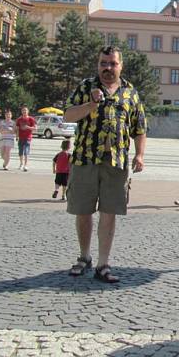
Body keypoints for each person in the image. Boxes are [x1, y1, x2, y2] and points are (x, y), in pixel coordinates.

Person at [63, 45, 147, 284]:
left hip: (116, 163)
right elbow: (68, 116)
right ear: (98, 64)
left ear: (121, 65)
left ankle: (103, 263)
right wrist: (90, 105)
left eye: (112, 63)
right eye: (103, 63)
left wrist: (139, 155)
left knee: (109, 213)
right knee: (83, 211)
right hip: (84, 159)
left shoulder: (130, 92)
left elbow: (140, 129)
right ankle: (84, 256)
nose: (107, 68)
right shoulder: (85, 87)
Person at [15, 106, 36, 171]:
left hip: (28, 137)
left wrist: (28, 127)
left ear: (28, 111)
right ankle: (21, 164)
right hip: (21, 137)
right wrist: (17, 136)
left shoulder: (31, 119)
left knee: (26, 151)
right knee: (20, 151)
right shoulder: (19, 119)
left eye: (25, 110)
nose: (24, 112)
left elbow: (35, 128)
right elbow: (17, 129)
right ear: (21, 111)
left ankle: (26, 165)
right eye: (23, 110)